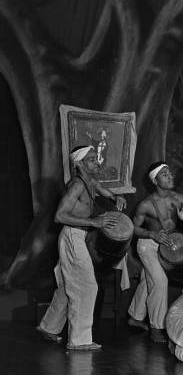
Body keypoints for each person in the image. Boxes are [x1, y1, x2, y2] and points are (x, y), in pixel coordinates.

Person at [37, 146, 126, 350]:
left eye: (96, 158)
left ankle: (49, 327)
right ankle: (79, 340)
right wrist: (95, 222)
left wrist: (115, 197)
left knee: (67, 287)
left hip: (78, 235)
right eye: (92, 159)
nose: (97, 162)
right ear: (79, 164)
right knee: (86, 286)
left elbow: (103, 189)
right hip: (72, 235)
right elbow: (59, 216)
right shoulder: (77, 185)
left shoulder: (89, 181)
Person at [127, 162, 183, 343]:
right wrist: (151, 233)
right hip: (147, 244)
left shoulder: (181, 198)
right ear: (155, 180)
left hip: (169, 245)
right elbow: (132, 228)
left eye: (170, 173)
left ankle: (134, 318)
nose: (170, 177)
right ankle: (157, 327)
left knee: (149, 280)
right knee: (160, 282)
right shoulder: (145, 205)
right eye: (164, 174)